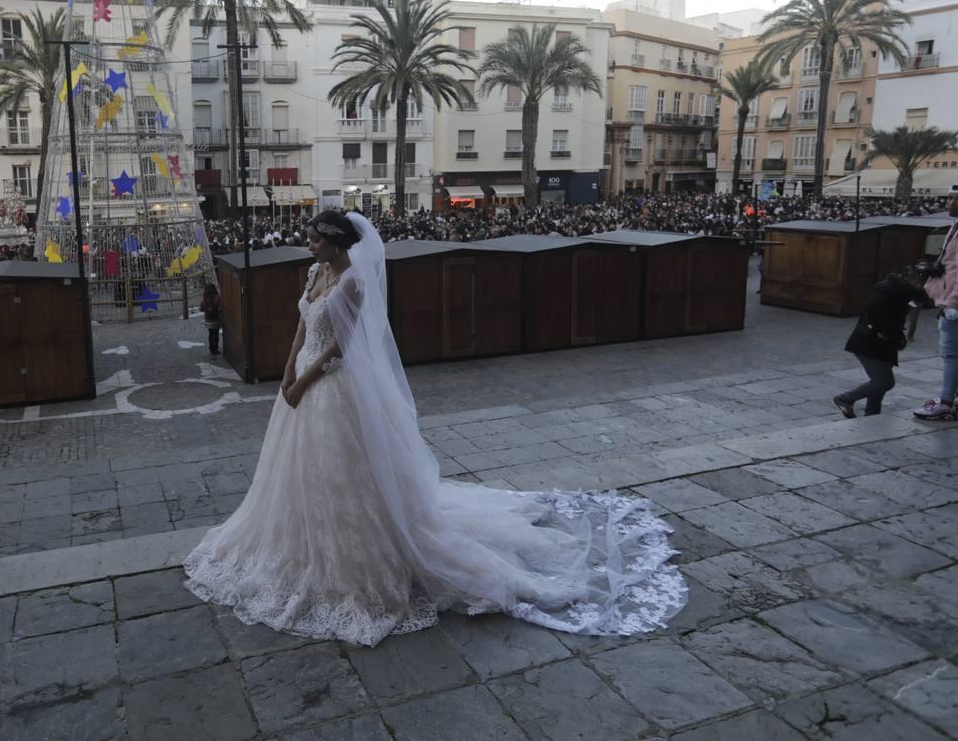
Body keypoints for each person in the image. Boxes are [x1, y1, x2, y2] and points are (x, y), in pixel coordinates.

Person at [183, 209, 686, 646]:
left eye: (316, 238)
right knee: (298, 473)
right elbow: (302, 327)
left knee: (346, 474)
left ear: (336, 242)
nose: (309, 245)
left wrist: (306, 380)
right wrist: (287, 371)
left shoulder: (354, 281)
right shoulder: (313, 272)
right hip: (301, 381)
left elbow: (343, 344)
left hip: (333, 385)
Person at [915, 183, 958, 420]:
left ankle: (947, 402)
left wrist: (953, 302)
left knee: (951, 352)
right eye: (949, 198)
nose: (951, 203)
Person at [834, 268, 927, 417]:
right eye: (924, 286)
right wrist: (885, 334)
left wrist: (897, 337)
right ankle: (845, 399)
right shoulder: (890, 292)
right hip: (870, 342)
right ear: (915, 282)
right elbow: (875, 316)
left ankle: (872, 413)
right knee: (885, 382)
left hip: (882, 343)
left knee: (879, 381)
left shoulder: (901, 292)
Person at [200, 283, 223, 355]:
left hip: (208, 320)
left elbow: (201, 309)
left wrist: (207, 309)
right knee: (216, 334)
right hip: (216, 319)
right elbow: (220, 307)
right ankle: (215, 348)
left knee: (210, 334)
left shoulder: (204, 298)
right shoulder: (217, 297)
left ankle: (211, 347)